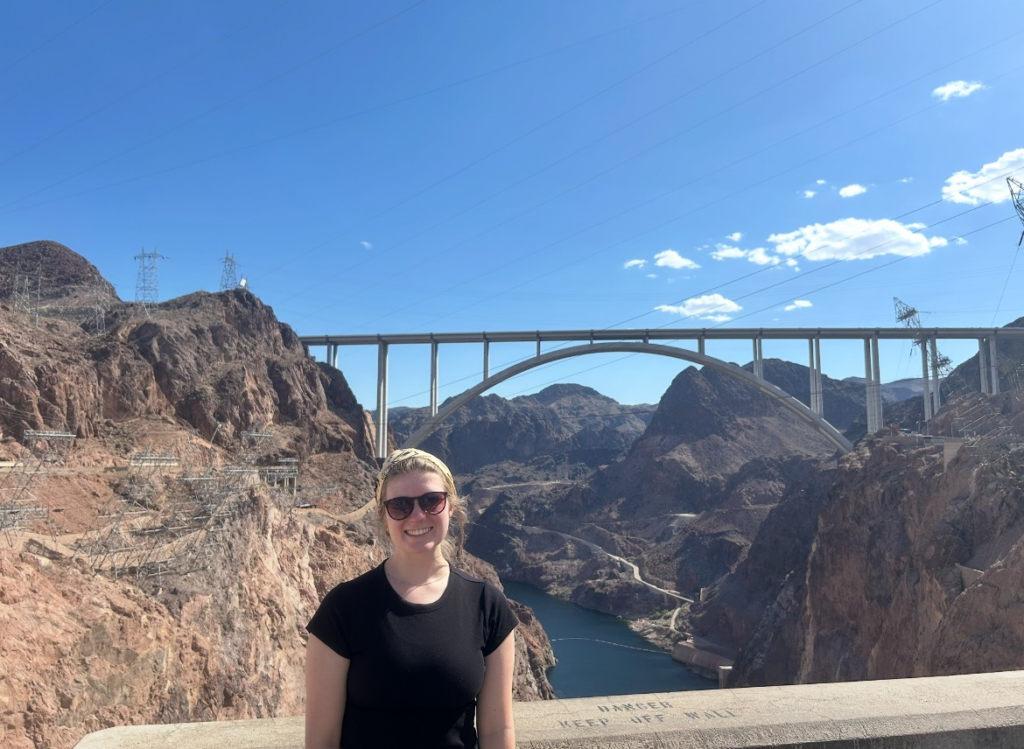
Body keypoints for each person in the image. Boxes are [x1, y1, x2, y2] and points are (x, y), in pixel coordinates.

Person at [305, 448, 518, 749]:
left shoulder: (487, 605)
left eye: (432, 501)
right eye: (400, 505)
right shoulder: (343, 609)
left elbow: (497, 731)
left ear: (451, 507)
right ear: (384, 517)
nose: (417, 515)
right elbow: (322, 741)